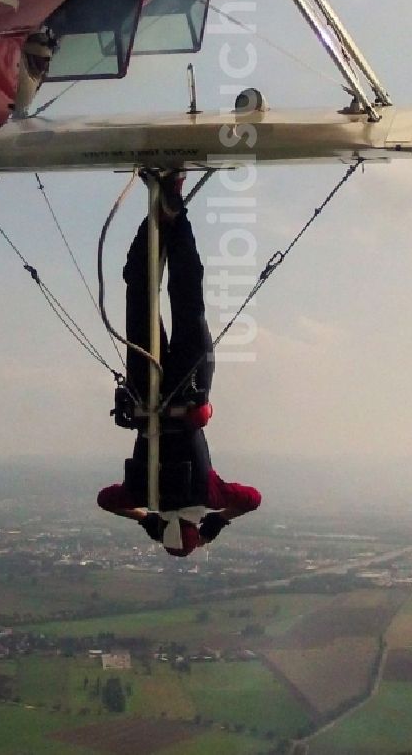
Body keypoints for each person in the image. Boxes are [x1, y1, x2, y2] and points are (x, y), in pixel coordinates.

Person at [97, 173, 261, 556]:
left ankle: (171, 210)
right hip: (146, 391)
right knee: (141, 297)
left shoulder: (209, 495)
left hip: (188, 389)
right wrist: (146, 518)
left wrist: (218, 520)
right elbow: (107, 500)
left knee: (186, 298)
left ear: (192, 525)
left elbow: (252, 499)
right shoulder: (142, 494)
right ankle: (166, 209)